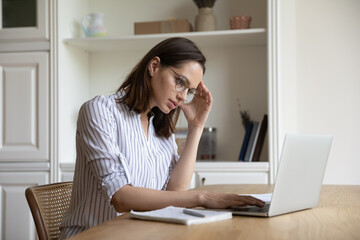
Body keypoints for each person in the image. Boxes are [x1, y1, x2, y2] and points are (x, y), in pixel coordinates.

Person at [59, 37, 264, 239]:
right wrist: (202, 197)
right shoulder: (100, 111)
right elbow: (120, 198)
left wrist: (196, 127)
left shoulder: (159, 126)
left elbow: (175, 192)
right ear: (154, 66)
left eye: (189, 90)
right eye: (180, 82)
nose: (183, 96)